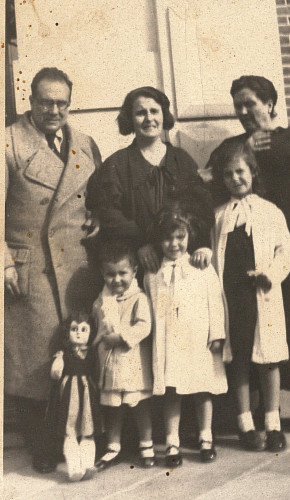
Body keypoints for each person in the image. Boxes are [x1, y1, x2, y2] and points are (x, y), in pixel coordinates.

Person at [207, 75, 290, 432]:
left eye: (250, 103)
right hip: (247, 247)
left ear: (270, 103)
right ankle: (266, 405)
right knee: (255, 321)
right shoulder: (232, 145)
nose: (245, 111)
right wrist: (246, 144)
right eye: (239, 106)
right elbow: (212, 181)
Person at [4, 67, 102, 472]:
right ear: (31, 101)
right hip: (31, 268)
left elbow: (95, 195)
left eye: (62, 102)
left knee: (77, 359)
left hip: (77, 266)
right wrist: (3, 260)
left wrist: (96, 218)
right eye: (46, 102)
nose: (54, 110)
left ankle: (78, 438)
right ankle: (43, 446)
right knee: (35, 361)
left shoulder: (85, 142)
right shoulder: (9, 142)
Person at [210, 141, 290, 452]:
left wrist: (271, 274)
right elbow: (214, 256)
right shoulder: (218, 216)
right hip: (233, 299)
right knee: (239, 359)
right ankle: (245, 423)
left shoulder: (270, 211)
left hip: (262, 295)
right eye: (229, 174)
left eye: (241, 171)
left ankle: (272, 422)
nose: (235, 178)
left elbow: (287, 250)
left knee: (269, 359)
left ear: (253, 172)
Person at [86, 86, 214, 274]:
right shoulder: (117, 165)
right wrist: (141, 244)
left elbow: (201, 208)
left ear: (163, 115)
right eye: (140, 113)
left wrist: (202, 245)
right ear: (130, 119)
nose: (149, 118)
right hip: (139, 262)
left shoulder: (182, 160)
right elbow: (109, 214)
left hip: (183, 262)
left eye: (154, 111)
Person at [144, 205, 228, 467]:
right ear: (159, 240)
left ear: (189, 237)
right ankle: (172, 442)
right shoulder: (152, 273)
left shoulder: (200, 266)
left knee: (203, 389)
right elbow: (148, 307)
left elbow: (215, 300)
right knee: (173, 391)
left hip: (198, 339)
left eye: (180, 237)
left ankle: (206, 437)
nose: (174, 244)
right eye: (168, 238)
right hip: (170, 342)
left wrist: (217, 333)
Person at [92, 241, 154, 470]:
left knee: (138, 404)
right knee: (113, 406)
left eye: (122, 273)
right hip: (110, 364)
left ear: (134, 271)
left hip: (132, 363)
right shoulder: (101, 300)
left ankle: (146, 444)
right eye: (110, 274)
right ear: (102, 273)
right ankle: (113, 446)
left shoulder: (139, 298)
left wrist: (122, 337)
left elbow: (144, 326)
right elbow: (96, 324)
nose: (116, 279)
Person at [46, 313, 102, 481]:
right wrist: (58, 361)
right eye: (74, 329)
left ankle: (87, 464)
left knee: (88, 431)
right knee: (69, 431)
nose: (78, 333)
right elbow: (55, 374)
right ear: (67, 332)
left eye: (84, 329)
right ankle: (74, 468)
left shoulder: (92, 353)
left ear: (91, 333)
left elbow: (97, 373)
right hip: (68, 396)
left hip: (87, 396)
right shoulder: (64, 354)